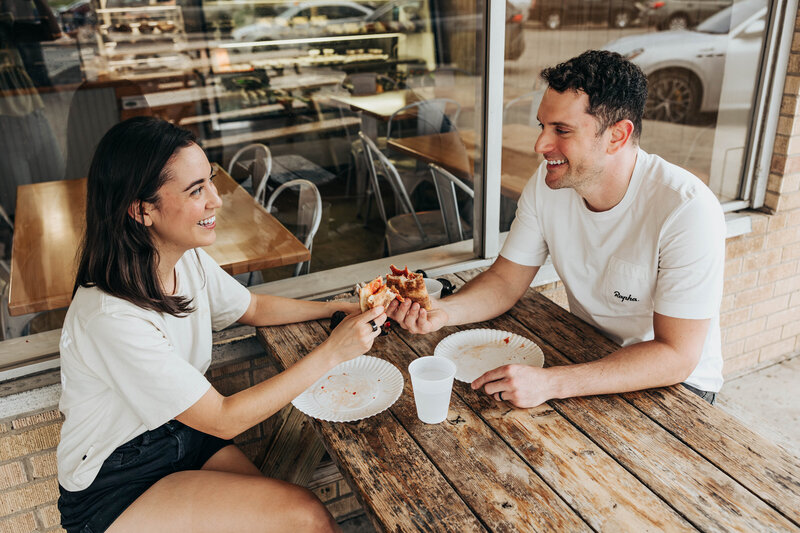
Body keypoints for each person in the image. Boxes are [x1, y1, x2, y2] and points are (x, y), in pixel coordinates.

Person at [56, 116, 386, 533]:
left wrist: (334, 308)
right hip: (117, 479)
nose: (217, 199)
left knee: (287, 518)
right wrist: (334, 350)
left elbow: (254, 307)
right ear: (141, 210)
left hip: (182, 433)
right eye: (196, 191)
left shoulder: (183, 256)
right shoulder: (109, 316)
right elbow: (224, 418)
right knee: (305, 517)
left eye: (209, 180)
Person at [388, 50, 726, 408]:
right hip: (590, 352)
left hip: (678, 388)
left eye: (561, 130)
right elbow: (505, 281)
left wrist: (552, 382)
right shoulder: (549, 183)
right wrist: (444, 313)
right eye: (542, 126)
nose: (540, 146)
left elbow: (676, 355)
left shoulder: (687, 209)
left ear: (617, 136)